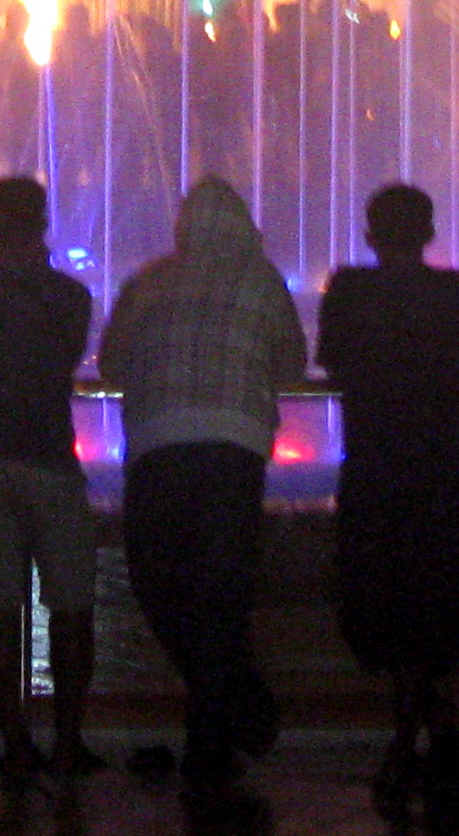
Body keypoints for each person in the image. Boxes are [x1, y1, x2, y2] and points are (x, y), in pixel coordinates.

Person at [98, 176, 305, 789]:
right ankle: (230, 716)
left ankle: (219, 731)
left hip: (158, 446)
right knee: (219, 594)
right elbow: (292, 364)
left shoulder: (150, 281)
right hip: (231, 450)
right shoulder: (261, 280)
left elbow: (109, 364)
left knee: (158, 585)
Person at [317, 180, 459, 810]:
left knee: (384, 597)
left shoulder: (349, 290)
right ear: (429, 233)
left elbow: (332, 361)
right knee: (434, 596)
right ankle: (435, 724)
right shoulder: (457, 292)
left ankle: (410, 735)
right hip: (441, 472)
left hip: (375, 468)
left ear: (369, 235)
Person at [0, 176, 98, 781]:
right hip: (50, 459)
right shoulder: (70, 299)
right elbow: (65, 357)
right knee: (72, 605)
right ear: (44, 224)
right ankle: (68, 741)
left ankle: (15, 742)